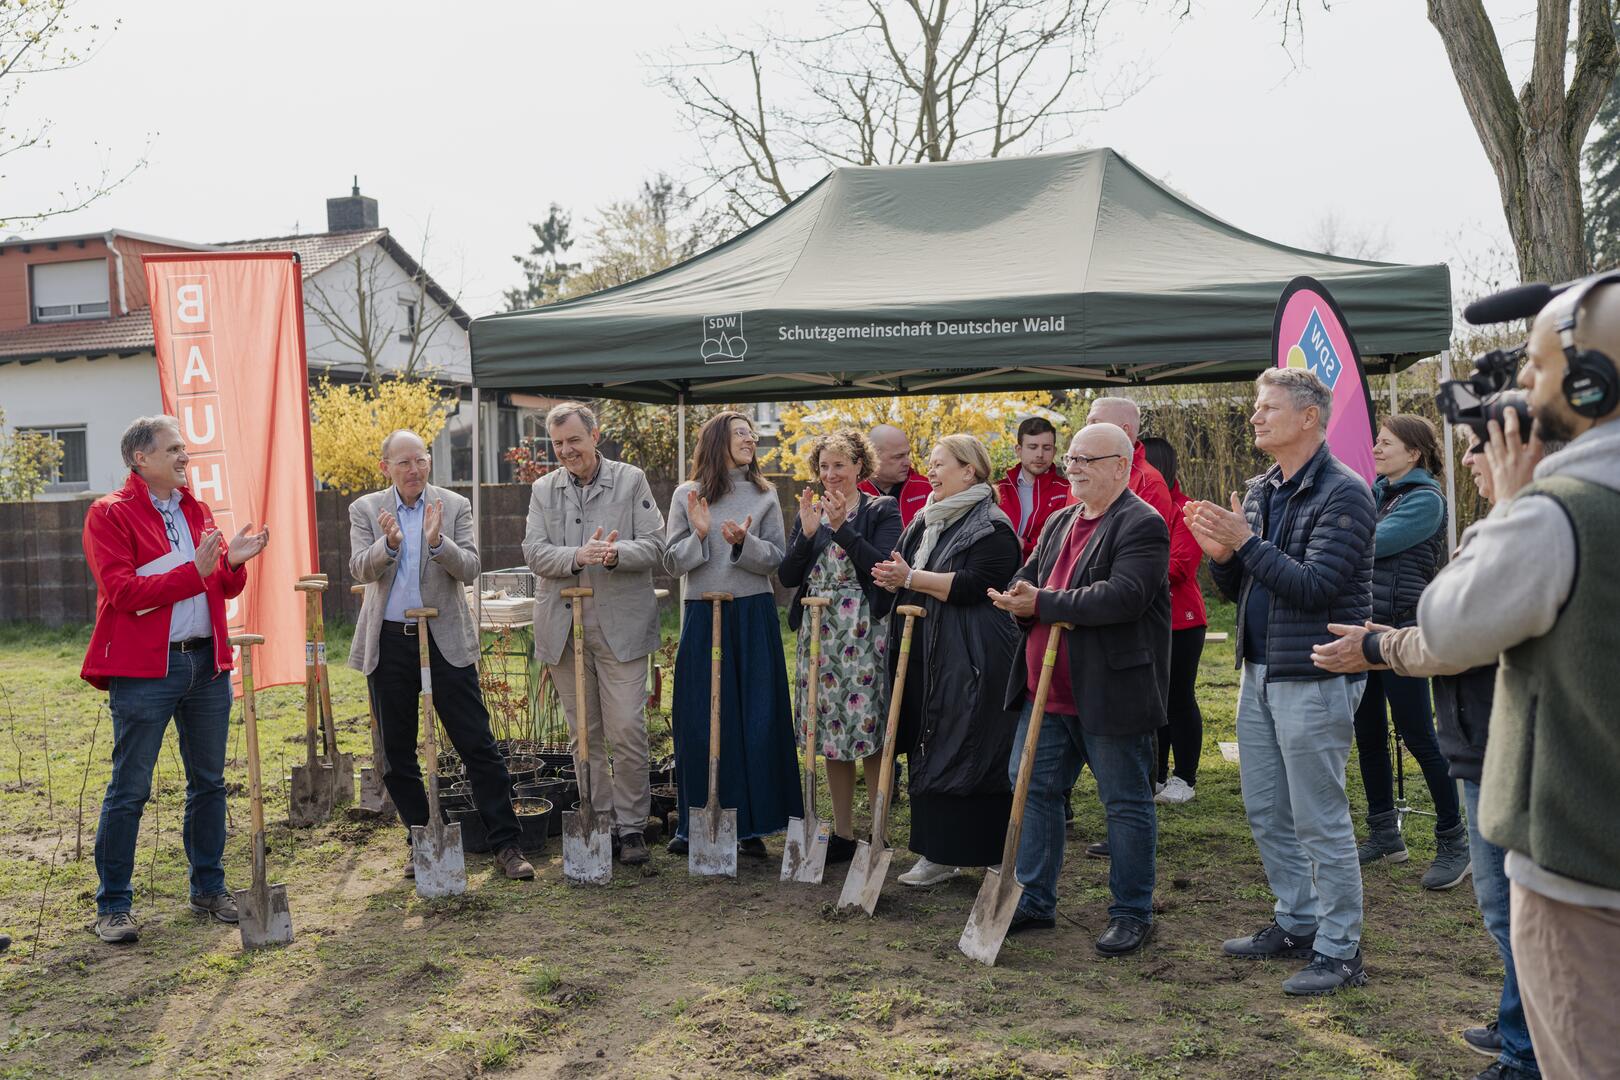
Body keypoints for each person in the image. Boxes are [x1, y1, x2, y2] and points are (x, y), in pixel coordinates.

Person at [1399, 277, 1620, 1080]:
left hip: (1584, 875)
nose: (1517, 394)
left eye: (1532, 370)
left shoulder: (1559, 513)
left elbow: (1448, 626)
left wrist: (1517, 502)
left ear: (1590, 383)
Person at [1313, 425, 1550, 1080]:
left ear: (1529, 448)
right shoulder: (1516, 525)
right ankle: (1517, 1028)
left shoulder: (1520, 530)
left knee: (1514, 912)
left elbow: (1464, 636)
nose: (1469, 457)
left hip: (1508, 742)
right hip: (1483, 730)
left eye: (1481, 443)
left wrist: (1383, 644)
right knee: (1510, 911)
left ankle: (1527, 1057)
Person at [1185, 367, 1375, 996]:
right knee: (1266, 809)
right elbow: (1246, 590)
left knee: (1319, 816)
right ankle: (1297, 921)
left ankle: (1341, 949)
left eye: (1268, 408)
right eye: (1255, 408)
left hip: (1316, 671)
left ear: (1308, 418)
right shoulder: (1263, 488)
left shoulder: (1344, 493)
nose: (1256, 418)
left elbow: (1316, 589)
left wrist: (1244, 543)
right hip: (1260, 670)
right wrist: (1225, 558)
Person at [81, 415, 271, 944]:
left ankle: (209, 886)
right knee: (130, 789)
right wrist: (197, 570)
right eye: (175, 450)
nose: (186, 458)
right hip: (145, 670)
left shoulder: (196, 508)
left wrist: (233, 562)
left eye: (184, 450)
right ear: (141, 458)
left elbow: (222, 587)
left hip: (205, 663)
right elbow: (123, 593)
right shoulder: (108, 514)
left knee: (209, 782)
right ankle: (113, 905)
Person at [988, 423, 1169, 954]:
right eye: (1071, 460)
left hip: (1110, 690)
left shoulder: (1143, 523)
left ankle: (1133, 911)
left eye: (1088, 460)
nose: (1075, 468)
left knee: (1125, 802)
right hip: (1045, 690)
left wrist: (1041, 602)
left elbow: (1123, 597)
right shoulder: (1060, 521)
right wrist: (1017, 593)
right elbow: (1032, 574)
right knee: (1034, 789)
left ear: (1121, 465)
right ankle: (1036, 898)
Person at [349, 430, 534, 882]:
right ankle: (422, 839)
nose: (414, 470)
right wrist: (389, 545)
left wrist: (436, 543)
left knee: (478, 744)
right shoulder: (366, 509)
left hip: (444, 637)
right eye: (404, 463)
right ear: (385, 468)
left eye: (421, 461)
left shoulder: (452, 506)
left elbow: (470, 567)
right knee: (396, 753)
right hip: (391, 639)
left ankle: (505, 844)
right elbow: (358, 567)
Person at [871, 435, 1021, 886]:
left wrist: (912, 576)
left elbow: (979, 582)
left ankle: (985, 851)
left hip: (972, 654)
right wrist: (893, 578)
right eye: (930, 464)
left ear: (969, 471)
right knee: (925, 738)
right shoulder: (924, 519)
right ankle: (935, 853)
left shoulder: (992, 525)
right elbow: (906, 571)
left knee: (969, 743)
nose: (930, 472)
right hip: (923, 648)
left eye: (940, 465)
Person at [521, 402, 666, 866]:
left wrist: (612, 553)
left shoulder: (630, 480)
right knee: (584, 732)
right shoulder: (544, 489)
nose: (566, 451)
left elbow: (656, 545)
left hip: (619, 624)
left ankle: (632, 827)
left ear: (595, 435)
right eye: (558, 443)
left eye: (574, 441)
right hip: (565, 627)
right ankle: (598, 819)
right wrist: (576, 556)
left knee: (625, 726)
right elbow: (534, 552)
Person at [664, 410, 800, 857]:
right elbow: (672, 562)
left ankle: (751, 826)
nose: (750, 438)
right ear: (718, 439)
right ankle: (695, 821)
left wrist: (744, 543)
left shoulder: (763, 494)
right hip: (702, 613)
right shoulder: (688, 494)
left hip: (752, 612)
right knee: (701, 717)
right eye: (741, 432)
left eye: (751, 433)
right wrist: (700, 536)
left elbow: (776, 559)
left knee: (756, 719)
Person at [1352, 415, 1468, 889]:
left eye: (1386, 443)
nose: (1376, 449)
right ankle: (1385, 834)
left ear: (1414, 453)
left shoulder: (1425, 500)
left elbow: (1373, 544)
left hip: (1402, 632)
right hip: (1364, 628)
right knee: (1368, 732)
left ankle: (1454, 841)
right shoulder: (1375, 495)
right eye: (1377, 442)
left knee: (1419, 735)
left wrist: (1335, 536)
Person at [778, 429, 902, 862]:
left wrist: (840, 528)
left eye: (840, 465)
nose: (831, 475)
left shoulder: (883, 509)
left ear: (859, 467)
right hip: (820, 630)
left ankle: (878, 831)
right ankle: (844, 833)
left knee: (868, 730)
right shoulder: (809, 512)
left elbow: (881, 566)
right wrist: (807, 535)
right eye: (824, 467)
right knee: (829, 730)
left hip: (865, 629)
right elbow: (790, 577)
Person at [1141, 436, 1207, 805]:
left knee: (1178, 698)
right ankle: (1158, 774)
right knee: (1153, 699)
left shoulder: (1186, 510)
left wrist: (1129, 573)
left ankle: (1185, 776)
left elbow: (1180, 566)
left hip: (1181, 620)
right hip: (1144, 617)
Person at [1085, 397, 1175, 526]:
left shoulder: (1149, 483)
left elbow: (1145, 541)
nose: (1086, 429)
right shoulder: (1080, 472)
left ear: (1124, 430)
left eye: (1095, 422)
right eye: (1087, 423)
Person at [995, 416, 1072, 560]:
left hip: (1042, 576)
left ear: (1054, 451)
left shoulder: (1067, 491)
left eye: (1047, 448)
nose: (1040, 454)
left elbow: (1067, 539)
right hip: (998, 573)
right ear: (1018, 450)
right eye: (1032, 447)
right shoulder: (998, 490)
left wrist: (1024, 544)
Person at [860, 423, 932, 526]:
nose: (908, 462)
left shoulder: (929, 489)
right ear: (873, 457)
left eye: (907, 454)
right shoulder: (851, 494)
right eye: (898, 457)